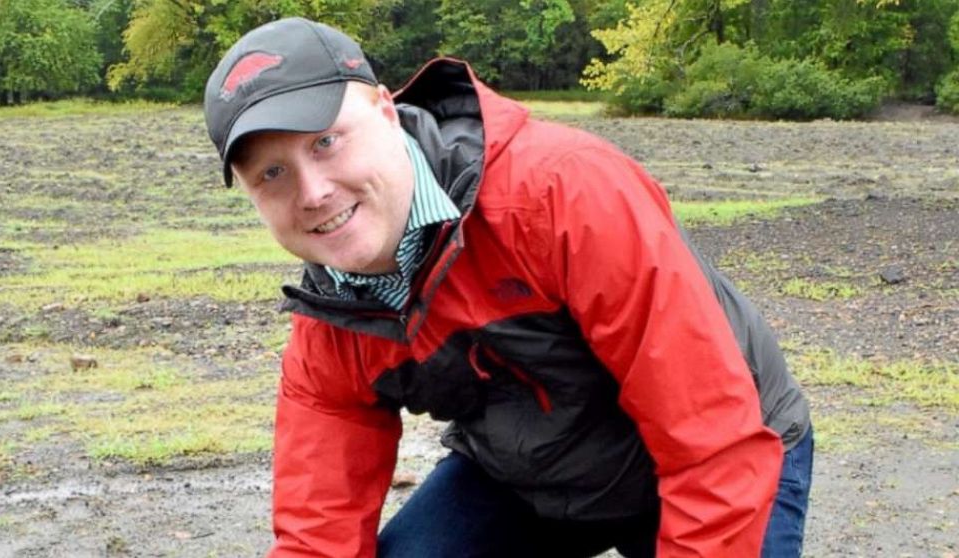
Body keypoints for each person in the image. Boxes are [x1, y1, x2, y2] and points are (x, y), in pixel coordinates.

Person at [202, 17, 812, 558]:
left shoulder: (562, 195)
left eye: (326, 142)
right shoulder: (331, 317)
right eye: (272, 173)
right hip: (530, 476)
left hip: (726, 450)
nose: (313, 193)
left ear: (386, 111)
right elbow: (317, 537)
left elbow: (711, 439)